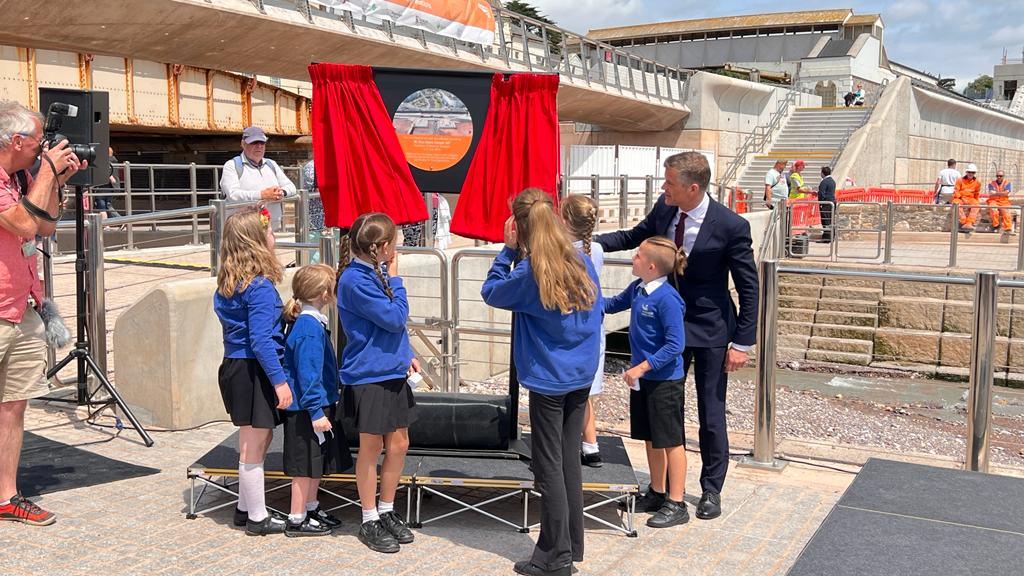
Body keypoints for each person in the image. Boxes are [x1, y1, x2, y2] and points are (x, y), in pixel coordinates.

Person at [597, 151, 758, 521]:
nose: (663, 188)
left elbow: (749, 288)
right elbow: (635, 236)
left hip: (711, 330)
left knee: (711, 413)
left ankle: (711, 489)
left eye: (669, 183)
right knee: (664, 409)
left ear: (693, 187)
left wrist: (742, 343)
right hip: (666, 330)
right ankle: (664, 489)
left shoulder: (731, 226)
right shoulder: (666, 208)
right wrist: (589, 244)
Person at [482, 188, 602, 576]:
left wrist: (506, 251)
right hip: (579, 374)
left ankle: (555, 557)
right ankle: (571, 544)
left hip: (549, 379)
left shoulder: (532, 272)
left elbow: (491, 292)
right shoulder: (580, 258)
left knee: (548, 465)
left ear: (519, 227)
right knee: (568, 461)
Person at [0, 100, 84, 527]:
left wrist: (56, 180)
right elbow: (22, 223)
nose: (41, 149)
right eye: (36, 143)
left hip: (24, 306)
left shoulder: (22, 176)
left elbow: (47, 224)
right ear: (15, 141)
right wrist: (48, 170)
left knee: (13, 405)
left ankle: (6, 495)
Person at [337, 212, 420, 554]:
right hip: (369, 375)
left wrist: (407, 350)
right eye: (395, 244)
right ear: (382, 247)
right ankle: (369, 516)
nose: (396, 250)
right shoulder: (354, 281)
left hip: (391, 371)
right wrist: (397, 280)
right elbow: (394, 316)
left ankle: (387, 509)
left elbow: (393, 328)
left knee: (399, 444)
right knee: (370, 448)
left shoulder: (374, 272)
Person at [214, 205, 292, 536]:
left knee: (255, 438)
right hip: (255, 370)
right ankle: (257, 518)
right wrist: (280, 383)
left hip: (235, 366)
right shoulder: (259, 287)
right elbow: (260, 342)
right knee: (253, 444)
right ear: (256, 242)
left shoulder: (227, 285)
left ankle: (245, 507)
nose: (274, 237)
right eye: (270, 233)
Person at [605, 236, 688, 528]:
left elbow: (675, 345)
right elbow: (613, 304)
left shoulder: (667, 299)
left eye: (637, 256)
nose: (633, 259)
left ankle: (676, 502)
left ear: (651, 266)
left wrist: (642, 367)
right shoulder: (638, 289)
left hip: (664, 380)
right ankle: (656, 490)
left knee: (671, 440)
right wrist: (584, 301)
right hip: (644, 379)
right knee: (651, 437)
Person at [280, 263, 351, 537]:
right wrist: (315, 411)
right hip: (307, 408)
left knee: (314, 462)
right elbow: (308, 373)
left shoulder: (310, 323)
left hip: (314, 405)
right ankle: (297, 518)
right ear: (324, 293)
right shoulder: (309, 328)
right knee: (304, 465)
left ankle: (310, 508)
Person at [559, 195, 605, 468]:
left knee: (569, 395)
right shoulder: (596, 250)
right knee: (585, 393)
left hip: (569, 329)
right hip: (592, 327)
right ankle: (590, 444)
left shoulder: (564, 252)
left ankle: (575, 445)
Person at [219, 126, 296, 231]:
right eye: (254, 142)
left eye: (262, 143)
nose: (259, 146)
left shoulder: (271, 164)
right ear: (243, 144)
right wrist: (262, 195)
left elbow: (291, 187)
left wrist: (281, 192)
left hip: (270, 228)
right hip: (244, 230)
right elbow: (233, 195)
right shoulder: (231, 165)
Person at [299, 158, 325, 261]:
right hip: (314, 222)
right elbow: (319, 188)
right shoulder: (311, 167)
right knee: (313, 258)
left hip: (330, 221)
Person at [92, 146, 121, 219]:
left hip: (103, 186)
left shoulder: (105, 162)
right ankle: (119, 220)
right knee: (107, 205)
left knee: (101, 205)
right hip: (112, 187)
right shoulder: (114, 161)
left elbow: (105, 172)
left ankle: (110, 223)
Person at [953, 164, 982, 233]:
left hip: (970, 198)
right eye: (969, 172)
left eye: (973, 172)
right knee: (956, 203)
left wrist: (976, 201)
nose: (971, 174)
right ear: (966, 172)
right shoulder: (960, 180)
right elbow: (956, 191)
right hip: (960, 198)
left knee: (976, 205)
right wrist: (961, 198)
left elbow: (977, 193)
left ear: (974, 173)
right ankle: (963, 221)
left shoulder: (977, 182)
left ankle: (969, 223)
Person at [986, 170, 1014, 234]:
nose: (998, 177)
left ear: (1003, 176)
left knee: (1006, 212)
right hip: (993, 201)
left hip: (1004, 201)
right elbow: (991, 193)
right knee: (993, 210)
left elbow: (1006, 193)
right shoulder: (991, 183)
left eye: (1000, 176)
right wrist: (1002, 193)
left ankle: (1008, 228)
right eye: (997, 176)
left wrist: (996, 193)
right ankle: (996, 226)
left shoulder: (1007, 183)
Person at [817, 166, 836, 243]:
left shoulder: (824, 181)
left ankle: (827, 238)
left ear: (823, 173)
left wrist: (821, 202)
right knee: (830, 220)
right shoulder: (832, 181)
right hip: (831, 202)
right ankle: (831, 236)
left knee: (826, 221)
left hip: (825, 203)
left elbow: (822, 193)